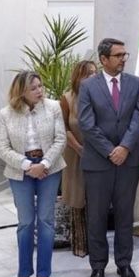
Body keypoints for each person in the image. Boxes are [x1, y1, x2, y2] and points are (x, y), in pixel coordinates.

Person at [77, 38, 139, 277]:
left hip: (128, 161)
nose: (122, 59)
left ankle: (124, 263)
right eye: (118, 55)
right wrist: (110, 151)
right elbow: (86, 123)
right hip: (98, 163)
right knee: (96, 217)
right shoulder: (88, 86)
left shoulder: (135, 83)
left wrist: (125, 147)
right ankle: (97, 267)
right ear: (104, 59)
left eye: (124, 55)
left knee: (125, 215)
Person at [0, 71, 66, 277]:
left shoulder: (53, 107)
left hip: (49, 168)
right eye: (34, 88)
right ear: (21, 92)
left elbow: (60, 139)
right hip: (20, 171)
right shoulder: (6, 114)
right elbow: (2, 148)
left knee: (45, 221)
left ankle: (43, 272)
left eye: (40, 86)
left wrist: (44, 164)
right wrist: (28, 166)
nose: (40, 91)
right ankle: (24, 272)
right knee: (26, 223)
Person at [59, 60, 97, 258]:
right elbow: (63, 128)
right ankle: (80, 243)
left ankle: (96, 244)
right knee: (77, 199)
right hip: (76, 154)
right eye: (87, 73)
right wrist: (78, 147)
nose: (92, 76)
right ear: (78, 77)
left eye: (94, 73)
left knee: (96, 199)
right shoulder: (67, 98)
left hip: (98, 154)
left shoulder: (101, 97)